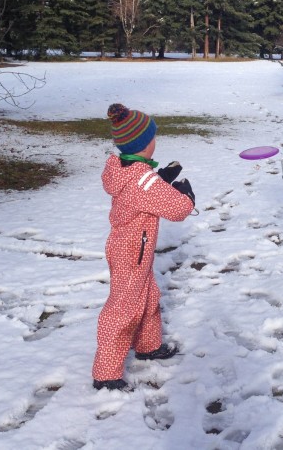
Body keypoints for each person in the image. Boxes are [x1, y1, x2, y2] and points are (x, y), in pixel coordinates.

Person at [92, 103, 195, 391]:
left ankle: (148, 345)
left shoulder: (126, 170)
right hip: (132, 251)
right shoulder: (142, 180)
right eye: (153, 138)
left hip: (131, 248)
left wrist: (161, 180)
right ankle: (106, 373)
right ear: (144, 144)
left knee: (148, 294)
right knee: (123, 307)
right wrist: (186, 195)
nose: (155, 142)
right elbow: (175, 209)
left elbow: (140, 192)